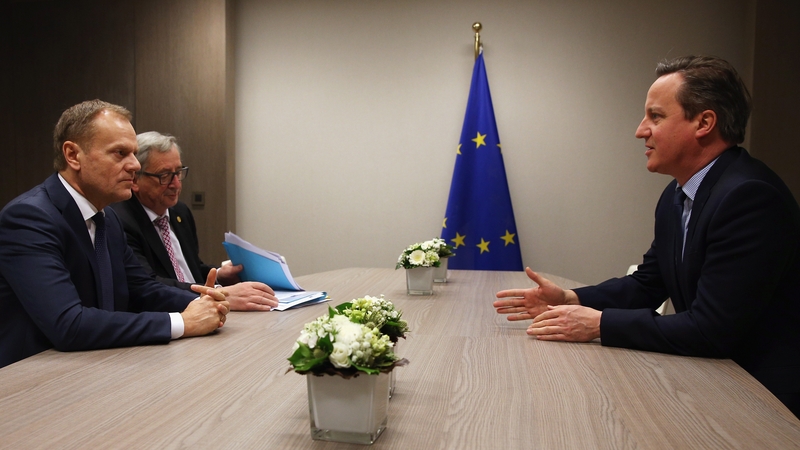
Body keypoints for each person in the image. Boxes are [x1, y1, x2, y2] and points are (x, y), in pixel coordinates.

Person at [493, 55, 800, 417]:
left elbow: (712, 330)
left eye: (656, 116)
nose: (641, 130)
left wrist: (599, 324)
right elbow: (649, 283)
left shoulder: (749, 196)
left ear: (704, 123)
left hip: (766, 402)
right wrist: (571, 298)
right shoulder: (676, 195)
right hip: (717, 383)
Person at [0, 100, 230, 368]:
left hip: (100, 364)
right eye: (120, 153)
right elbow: (69, 324)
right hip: (36, 377)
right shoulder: (29, 217)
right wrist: (182, 322)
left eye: (134, 153)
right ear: (73, 155)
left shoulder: (107, 217)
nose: (134, 165)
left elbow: (141, 288)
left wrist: (206, 301)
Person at [110, 131, 279, 311]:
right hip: (170, 314)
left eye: (178, 172)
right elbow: (148, 285)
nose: (176, 184)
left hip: (203, 308)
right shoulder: (120, 221)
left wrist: (219, 275)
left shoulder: (179, 212)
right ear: (135, 179)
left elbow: (189, 270)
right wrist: (218, 293)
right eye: (164, 176)